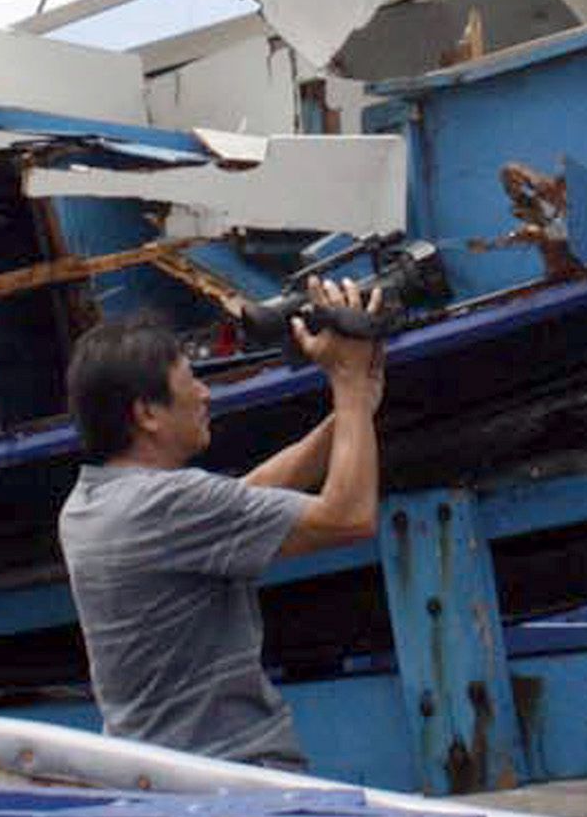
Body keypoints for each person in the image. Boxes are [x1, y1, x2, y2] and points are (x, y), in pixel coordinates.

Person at [56, 278, 384, 768]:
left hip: (162, 773)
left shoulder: (89, 504)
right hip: (233, 773)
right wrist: (349, 384)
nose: (206, 394)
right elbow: (350, 518)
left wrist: (350, 410)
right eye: (193, 382)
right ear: (147, 413)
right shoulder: (166, 504)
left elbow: (243, 499)